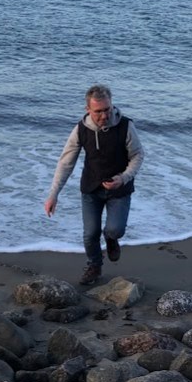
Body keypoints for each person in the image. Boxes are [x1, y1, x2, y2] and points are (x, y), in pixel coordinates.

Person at [44, 84, 145, 285]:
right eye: (98, 111)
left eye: (107, 109)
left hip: (120, 189)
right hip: (91, 189)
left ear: (111, 105)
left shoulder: (125, 126)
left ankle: (111, 240)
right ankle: (94, 266)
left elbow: (138, 155)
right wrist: (53, 195)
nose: (104, 115)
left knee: (114, 230)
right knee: (90, 233)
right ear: (88, 110)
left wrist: (123, 178)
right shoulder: (81, 129)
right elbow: (66, 162)